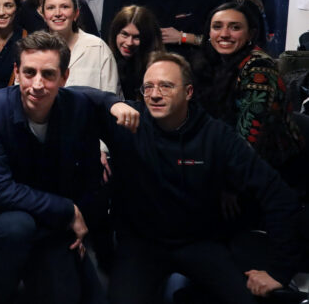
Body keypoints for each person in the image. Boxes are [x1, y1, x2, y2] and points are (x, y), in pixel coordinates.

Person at [96, 53, 301, 304]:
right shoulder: (129, 122)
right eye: (148, 87)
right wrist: (111, 102)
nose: (155, 94)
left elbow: (279, 195)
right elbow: (76, 97)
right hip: (141, 245)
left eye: (166, 86)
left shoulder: (215, 136)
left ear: (189, 92)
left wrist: (279, 270)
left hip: (199, 242)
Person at [0, 30, 130, 304]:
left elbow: (90, 177)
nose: (37, 84)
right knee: (16, 228)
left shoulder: (78, 107)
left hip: (56, 223)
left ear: (64, 77)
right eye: (29, 72)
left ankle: (45, 263)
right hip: (11, 215)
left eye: (48, 74)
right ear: (17, 72)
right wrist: (68, 211)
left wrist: (78, 223)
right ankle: (4, 287)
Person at [190, 1, 304, 179]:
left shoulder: (258, 67)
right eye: (217, 27)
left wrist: (230, 184)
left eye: (235, 27)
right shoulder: (211, 60)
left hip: (268, 167)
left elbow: (249, 139)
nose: (224, 34)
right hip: (226, 153)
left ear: (250, 34)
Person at [43, 0, 120, 94]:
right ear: (44, 16)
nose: (58, 13)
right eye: (51, 8)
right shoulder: (33, 49)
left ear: (76, 13)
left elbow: (111, 97)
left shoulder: (97, 48)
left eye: (65, 7)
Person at [107, 5, 164, 100]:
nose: (129, 43)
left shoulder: (157, 68)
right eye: (124, 34)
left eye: (136, 37)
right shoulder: (106, 60)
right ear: (115, 33)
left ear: (147, 39)